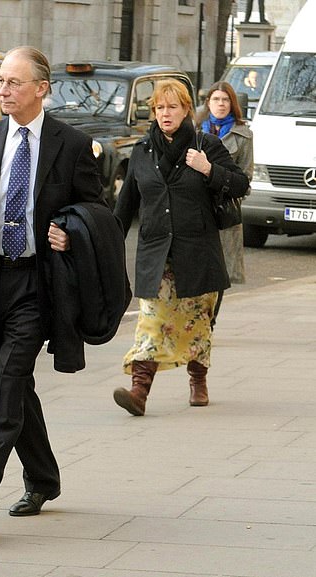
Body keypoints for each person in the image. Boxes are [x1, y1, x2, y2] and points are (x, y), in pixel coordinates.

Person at [0, 46, 106, 540]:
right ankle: (44, 477)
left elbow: (98, 214)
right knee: (16, 388)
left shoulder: (73, 145)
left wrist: (69, 230)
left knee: (9, 383)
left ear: (42, 88)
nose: (4, 90)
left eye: (15, 82)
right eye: (0, 81)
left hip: (38, 284)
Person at [112, 79, 249, 416]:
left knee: (197, 321)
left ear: (187, 109)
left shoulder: (207, 144)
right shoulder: (142, 152)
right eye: (159, 107)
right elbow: (125, 206)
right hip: (155, 252)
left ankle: (197, 380)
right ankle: (139, 391)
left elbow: (241, 184)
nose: (165, 113)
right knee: (151, 319)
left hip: (198, 251)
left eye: (172, 107)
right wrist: (101, 242)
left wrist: (209, 169)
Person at [198, 81, 253, 286]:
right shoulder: (195, 130)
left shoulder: (243, 135)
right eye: (216, 99)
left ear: (232, 104)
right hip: (195, 208)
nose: (221, 104)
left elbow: (246, 177)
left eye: (225, 100)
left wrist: (226, 192)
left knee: (221, 276)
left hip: (223, 211)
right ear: (208, 103)